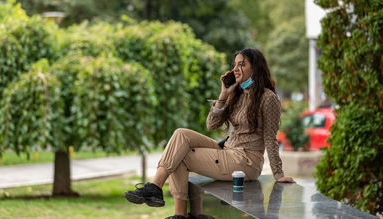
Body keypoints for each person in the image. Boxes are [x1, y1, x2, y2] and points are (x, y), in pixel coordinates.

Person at [125, 48, 295, 219]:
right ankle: (156, 189)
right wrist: (223, 94)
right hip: (228, 151)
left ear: (256, 68)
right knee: (181, 134)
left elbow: (270, 137)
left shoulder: (268, 98)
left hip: (246, 161)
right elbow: (211, 124)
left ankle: (178, 212)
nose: (236, 69)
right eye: (235, 64)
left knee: (181, 156)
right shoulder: (236, 94)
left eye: (242, 64)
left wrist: (278, 174)